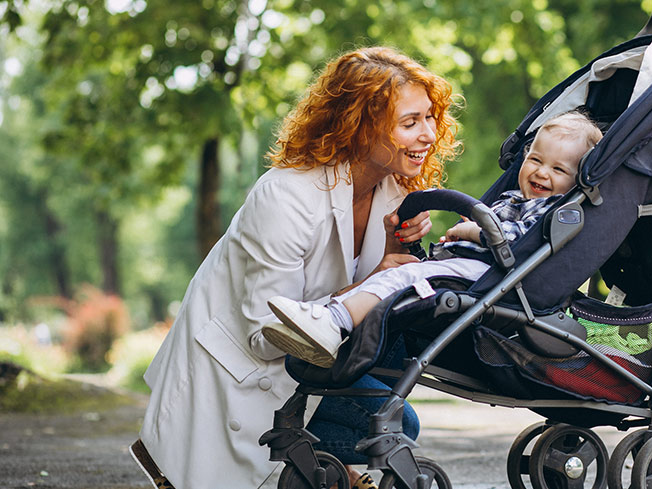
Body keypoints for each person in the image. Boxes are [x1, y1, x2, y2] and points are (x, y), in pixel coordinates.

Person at [129, 46, 460, 489]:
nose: (428, 134)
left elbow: (381, 291)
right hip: (234, 378)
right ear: (361, 128)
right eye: (410, 122)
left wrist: (397, 245)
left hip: (304, 369)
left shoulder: (395, 191)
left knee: (395, 420)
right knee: (386, 425)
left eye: (429, 117)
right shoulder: (285, 197)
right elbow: (265, 335)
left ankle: (326, 471)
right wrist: (373, 283)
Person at [262, 111, 603, 368]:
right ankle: (324, 320)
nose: (542, 172)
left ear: (577, 180)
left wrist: (472, 230)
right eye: (535, 160)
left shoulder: (554, 210)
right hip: (468, 266)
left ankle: (333, 322)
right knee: (399, 274)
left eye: (558, 170)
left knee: (403, 276)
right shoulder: (515, 197)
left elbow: (512, 239)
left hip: (492, 277)